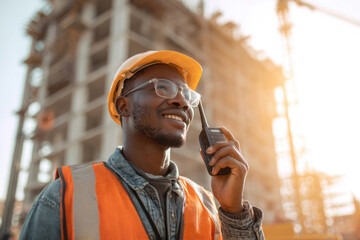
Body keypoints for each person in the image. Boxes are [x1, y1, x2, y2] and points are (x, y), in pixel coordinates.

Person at [20, 50, 265, 239]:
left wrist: (234, 212)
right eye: (163, 87)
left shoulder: (210, 205)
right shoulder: (64, 196)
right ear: (123, 106)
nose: (182, 101)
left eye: (186, 93)